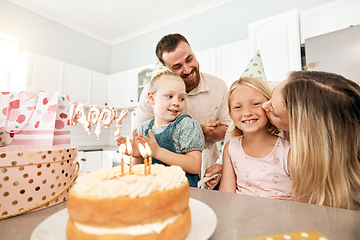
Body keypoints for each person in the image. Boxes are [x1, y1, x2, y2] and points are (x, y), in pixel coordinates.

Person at [133, 33, 231, 178]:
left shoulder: (218, 86)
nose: (187, 69)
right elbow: (141, 134)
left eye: (189, 59)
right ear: (166, 69)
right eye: (177, 67)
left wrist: (201, 133)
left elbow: (229, 130)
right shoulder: (153, 92)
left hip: (206, 172)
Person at [262, 70, 360, 210]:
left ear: (305, 135)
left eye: (274, 113)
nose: (264, 106)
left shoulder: (348, 198)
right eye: (270, 97)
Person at [117, 62, 205, 187]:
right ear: (151, 99)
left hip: (181, 193)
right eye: (169, 96)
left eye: (181, 98)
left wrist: (157, 152)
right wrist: (137, 154)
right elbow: (137, 172)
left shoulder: (186, 125)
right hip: (151, 193)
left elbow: (194, 166)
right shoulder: (142, 129)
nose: (176, 102)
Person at [219, 74, 292, 199]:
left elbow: (303, 197)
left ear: (269, 106)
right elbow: (226, 194)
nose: (247, 112)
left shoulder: (287, 151)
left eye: (255, 104)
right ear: (230, 114)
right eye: (238, 107)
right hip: (241, 214)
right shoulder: (230, 148)